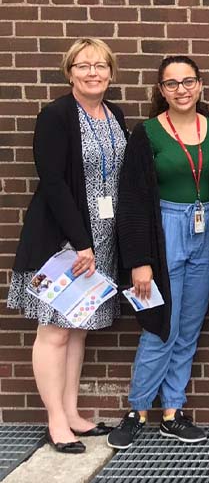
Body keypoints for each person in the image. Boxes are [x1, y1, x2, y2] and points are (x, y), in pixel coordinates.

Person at [7, 38, 127, 453]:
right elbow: (53, 183)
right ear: (69, 72)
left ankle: (73, 411)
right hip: (65, 243)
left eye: (100, 65)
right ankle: (56, 421)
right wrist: (81, 242)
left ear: (111, 72)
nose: (92, 72)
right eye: (83, 65)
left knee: (79, 330)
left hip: (102, 239)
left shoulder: (115, 115)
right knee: (55, 330)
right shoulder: (56, 115)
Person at [107, 56, 209, 449]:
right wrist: (139, 263)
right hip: (164, 232)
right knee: (161, 324)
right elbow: (131, 201)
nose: (181, 89)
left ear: (200, 85)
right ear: (161, 91)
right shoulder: (146, 135)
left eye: (188, 81)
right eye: (172, 83)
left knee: (189, 327)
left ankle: (172, 410)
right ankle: (138, 409)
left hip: (207, 228)